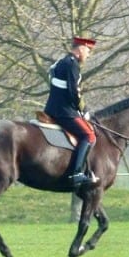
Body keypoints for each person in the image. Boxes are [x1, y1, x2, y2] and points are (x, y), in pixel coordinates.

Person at [44, 36, 97, 187]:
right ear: (81, 48)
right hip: (64, 111)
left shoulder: (60, 62)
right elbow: (74, 92)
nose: (88, 55)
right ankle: (77, 173)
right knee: (90, 135)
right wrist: (83, 110)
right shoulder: (72, 64)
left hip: (52, 108)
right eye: (88, 51)